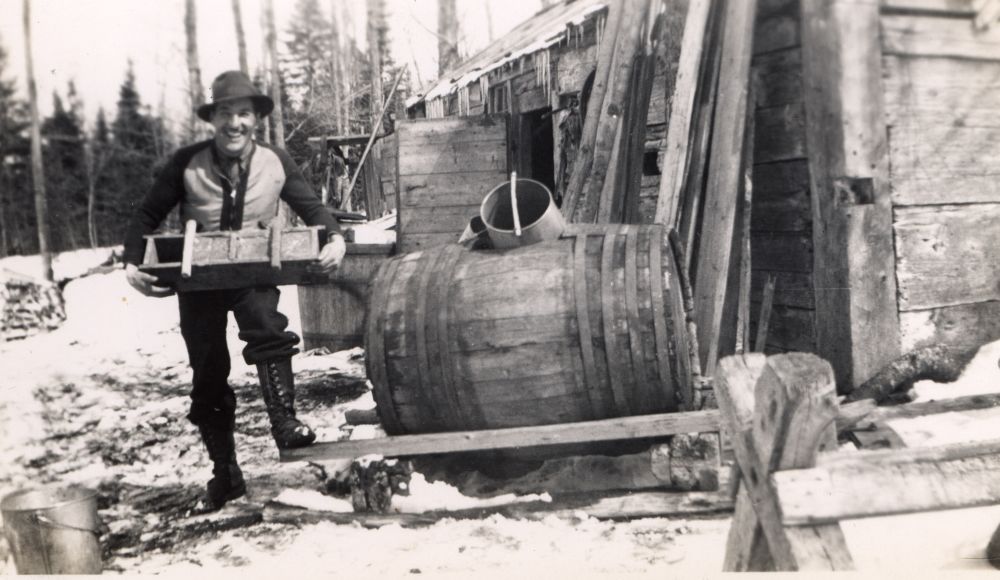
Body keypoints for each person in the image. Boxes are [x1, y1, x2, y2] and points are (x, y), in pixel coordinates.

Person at [121, 71, 346, 511]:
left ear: (255, 119)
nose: (235, 124)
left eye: (244, 114)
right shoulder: (186, 163)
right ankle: (225, 472)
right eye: (226, 114)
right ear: (213, 119)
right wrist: (131, 263)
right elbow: (145, 214)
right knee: (207, 372)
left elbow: (313, 208)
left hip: (253, 273)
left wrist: (335, 239)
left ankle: (284, 421)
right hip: (199, 280)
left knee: (267, 327)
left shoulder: (276, 161)